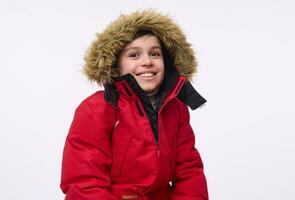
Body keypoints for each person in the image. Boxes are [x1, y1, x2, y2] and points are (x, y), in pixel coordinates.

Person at [60, 10, 209, 200]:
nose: (147, 61)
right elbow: (84, 180)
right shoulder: (97, 109)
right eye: (134, 55)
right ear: (115, 65)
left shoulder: (176, 108)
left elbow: (189, 170)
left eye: (155, 54)